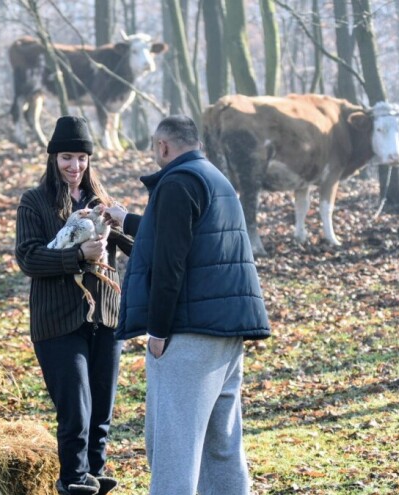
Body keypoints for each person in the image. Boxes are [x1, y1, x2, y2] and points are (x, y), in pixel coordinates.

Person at [105, 115, 271, 494]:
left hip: (190, 333)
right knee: (221, 448)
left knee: (173, 450)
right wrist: (127, 220)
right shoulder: (214, 178)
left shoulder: (177, 183)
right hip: (228, 333)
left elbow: (170, 263)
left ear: (162, 146)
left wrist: (159, 331)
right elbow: (183, 234)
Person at [15, 116, 132, 495]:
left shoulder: (102, 202)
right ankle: (74, 482)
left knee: (101, 412)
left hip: (106, 318)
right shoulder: (35, 203)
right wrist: (78, 256)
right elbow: (30, 259)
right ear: (53, 158)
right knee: (76, 413)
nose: (74, 166)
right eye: (67, 157)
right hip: (58, 322)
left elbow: (136, 247)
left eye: (81, 158)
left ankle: (94, 476)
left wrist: (127, 225)